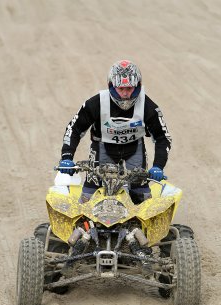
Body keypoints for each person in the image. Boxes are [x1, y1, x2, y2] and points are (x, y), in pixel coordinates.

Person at [59, 59, 172, 203]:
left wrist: (158, 166)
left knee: (143, 198)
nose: (125, 94)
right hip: (102, 149)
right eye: (121, 89)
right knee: (88, 198)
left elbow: (163, 137)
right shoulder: (95, 103)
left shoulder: (148, 106)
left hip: (134, 150)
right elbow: (74, 129)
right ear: (112, 86)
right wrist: (67, 157)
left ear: (138, 86)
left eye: (130, 88)